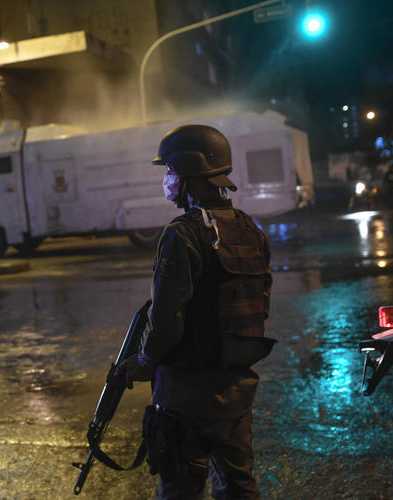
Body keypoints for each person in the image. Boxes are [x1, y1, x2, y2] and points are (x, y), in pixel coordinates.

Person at [115, 124, 275, 499]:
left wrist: (144, 361)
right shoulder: (252, 230)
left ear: (191, 175)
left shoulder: (182, 234)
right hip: (237, 390)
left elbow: (168, 319)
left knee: (180, 490)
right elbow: (260, 306)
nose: (168, 180)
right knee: (238, 487)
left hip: (188, 398)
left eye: (170, 171)